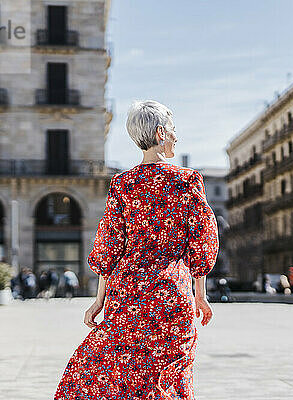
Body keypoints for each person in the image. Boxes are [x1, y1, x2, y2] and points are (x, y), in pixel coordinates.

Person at [54, 100, 220, 400]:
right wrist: (200, 295)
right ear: (160, 133)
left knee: (121, 376)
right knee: (170, 377)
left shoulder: (122, 184)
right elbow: (201, 243)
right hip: (172, 291)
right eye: (172, 130)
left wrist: (99, 301)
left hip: (128, 296)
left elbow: (109, 245)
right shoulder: (187, 181)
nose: (175, 137)